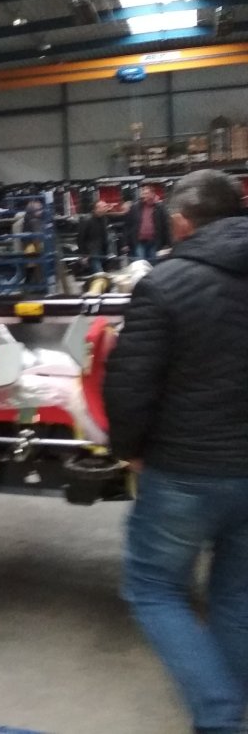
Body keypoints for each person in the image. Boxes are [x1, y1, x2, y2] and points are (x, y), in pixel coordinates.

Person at [104, 169, 248, 734]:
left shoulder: (166, 284)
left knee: (154, 589)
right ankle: (229, 707)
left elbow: (130, 384)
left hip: (187, 470)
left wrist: (129, 449)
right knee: (236, 596)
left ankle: (219, 715)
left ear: (182, 222)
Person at [124, 184, 170, 260]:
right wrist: (126, 243)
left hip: (154, 242)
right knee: (141, 263)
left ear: (152, 194)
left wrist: (167, 243)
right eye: (143, 193)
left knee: (153, 263)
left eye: (146, 193)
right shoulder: (135, 207)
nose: (143, 195)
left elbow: (165, 225)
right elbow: (128, 225)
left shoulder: (160, 208)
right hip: (139, 242)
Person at [77, 200, 112, 275]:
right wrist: (83, 255)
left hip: (102, 250)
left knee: (102, 273)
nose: (106, 208)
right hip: (92, 252)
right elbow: (80, 238)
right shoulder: (87, 220)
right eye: (104, 207)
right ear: (97, 208)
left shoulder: (104, 219)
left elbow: (104, 235)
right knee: (99, 274)